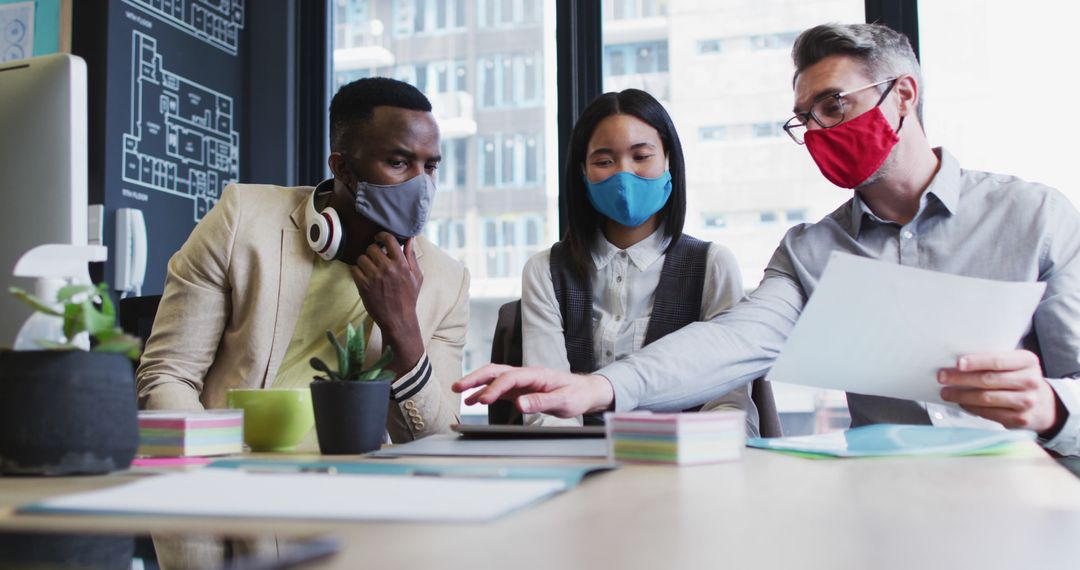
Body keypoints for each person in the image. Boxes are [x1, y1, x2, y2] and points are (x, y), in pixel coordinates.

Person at [455, 23, 1080, 456]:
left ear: (903, 96)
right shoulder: (812, 252)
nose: (819, 130)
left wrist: (1052, 406)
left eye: (834, 105)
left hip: (1017, 485)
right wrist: (603, 386)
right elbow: (732, 342)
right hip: (882, 500)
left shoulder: (1036, 218)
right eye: (805, 118)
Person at [137, 77, 469, 443]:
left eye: (431, 167)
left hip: (361, 488)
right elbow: (168, 375)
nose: (421, 185)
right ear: (342, 169)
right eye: (399, 162)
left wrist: (402, 330)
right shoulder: (241, 219)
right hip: (231, 472)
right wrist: (215, 469)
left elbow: (438, 443)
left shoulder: (447, 283)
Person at [520, 88, 757, 434]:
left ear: (669, 161)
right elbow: (549, 411)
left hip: (686, 470)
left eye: (642, 156)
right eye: (604, 161)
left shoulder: (712, 266)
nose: (623, 174)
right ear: (583, 173)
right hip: (580, 470)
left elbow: (728, 405)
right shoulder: (545, 271)